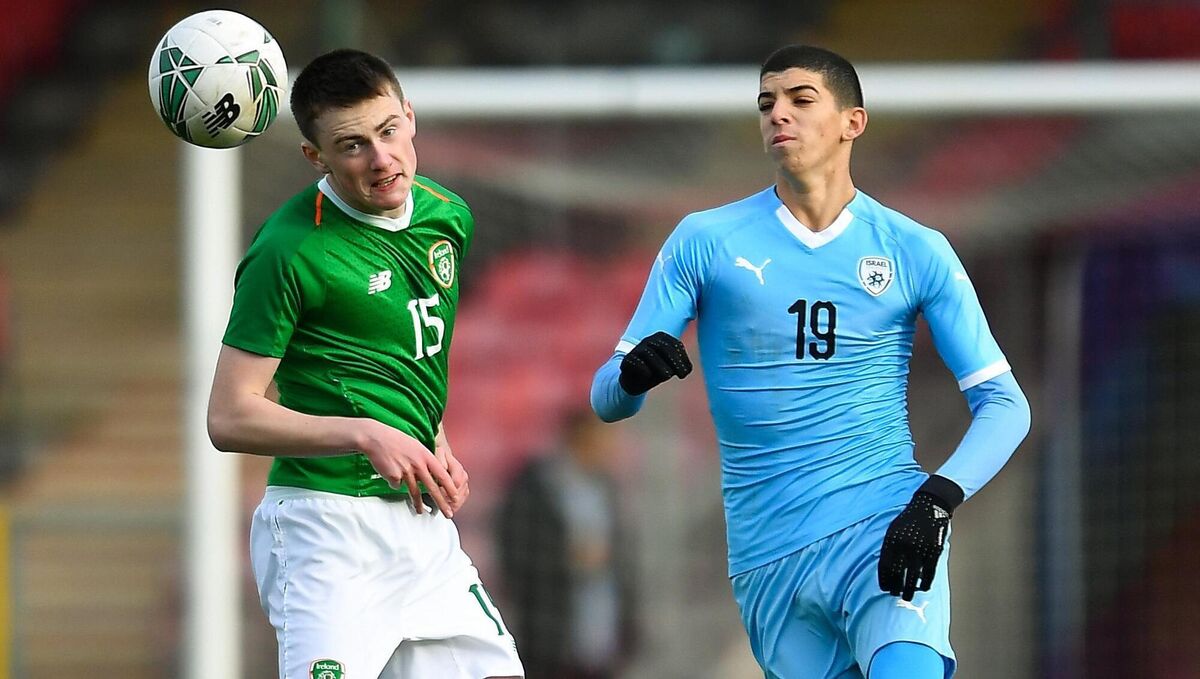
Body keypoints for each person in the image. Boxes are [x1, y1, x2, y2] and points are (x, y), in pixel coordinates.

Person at [590, 44, 1031, 679]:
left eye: (801, 100)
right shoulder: (705, 241)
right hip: (769, 554)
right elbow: (606, 399)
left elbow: (1005, 404)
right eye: (767, 104)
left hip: (885, 525)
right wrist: (633, 375)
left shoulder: (914, 249)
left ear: (853, 121)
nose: (778, 115)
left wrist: (935, 500)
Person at [206, 48, 524, 679]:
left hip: (419, 531)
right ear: (314, 157)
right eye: (352, 146)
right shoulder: (287, 251)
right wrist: (365, 433)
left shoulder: (446, 216)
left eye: (388, 131)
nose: (381, 160)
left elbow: (404, 358)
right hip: (324, 531)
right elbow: (229, 417)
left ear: (409, 117)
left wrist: (435, 442)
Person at [495, 409, 638, 679]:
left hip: (600, 640)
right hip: (550, 639)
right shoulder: (535, 486)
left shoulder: (606, 488)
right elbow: (515, 553)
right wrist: (568, 560)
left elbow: (622, 561)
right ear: (579, 437)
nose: (608, 448)